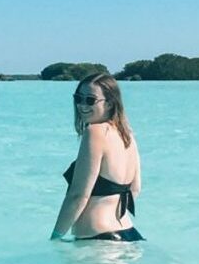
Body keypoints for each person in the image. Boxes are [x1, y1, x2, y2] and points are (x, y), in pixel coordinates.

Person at [50, 72, 144, 242]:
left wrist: (56, 236)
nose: (82, 105)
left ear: (109, 104)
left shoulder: (94, 132)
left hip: (99, 238)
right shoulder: (127, 135)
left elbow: (78, 195)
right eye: (78, 98)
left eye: (90, 100)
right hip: (128, 233)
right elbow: (135, 188)